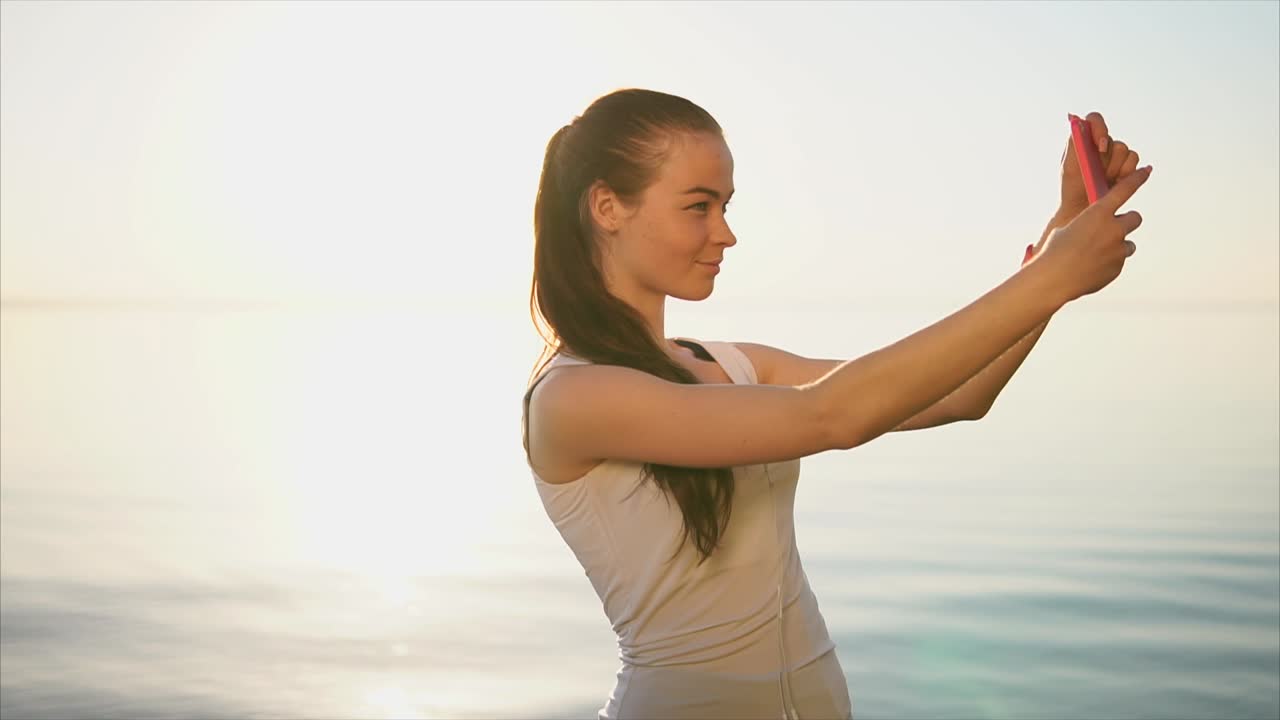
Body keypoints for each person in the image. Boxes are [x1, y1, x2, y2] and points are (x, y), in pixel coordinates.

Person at [520, 89, 1150, 720]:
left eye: (725, 206)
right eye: (698, 207)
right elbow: (832, 416)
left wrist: (1060, 236)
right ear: (607, 206)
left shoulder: (735, 364)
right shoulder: (575, 396)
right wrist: (1052, 275)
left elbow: (961, 394)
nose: (726, 233)